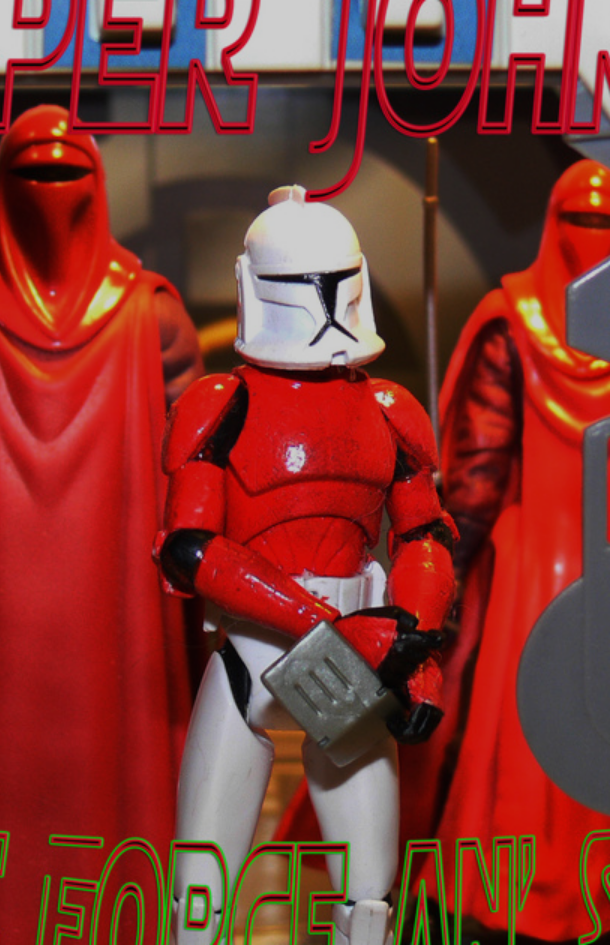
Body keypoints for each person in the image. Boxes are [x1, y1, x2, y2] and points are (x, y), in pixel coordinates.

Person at [0, 104, 202, 941]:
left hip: (79, 608)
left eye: (66, 173)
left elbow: (197, 475)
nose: (51, 190)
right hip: (42, 605)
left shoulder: (141, 313)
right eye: (38, 172)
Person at [157, 186, 456, 945]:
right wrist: (335, 628)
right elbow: (191, 549)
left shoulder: (389, 409)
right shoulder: (220, 402)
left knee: (369, 895)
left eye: (331, 283)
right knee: (201, 887)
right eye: (302, 285)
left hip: (351, 653)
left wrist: (414, 640)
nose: (320, 303)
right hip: (256, 651)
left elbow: (425, 535)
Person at [426, 159, 610, 943]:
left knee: (511, 755)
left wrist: (443, 580)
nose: (590, 237)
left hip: (529, 578)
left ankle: (513, 898)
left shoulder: (509, 320)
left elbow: (476, 475)